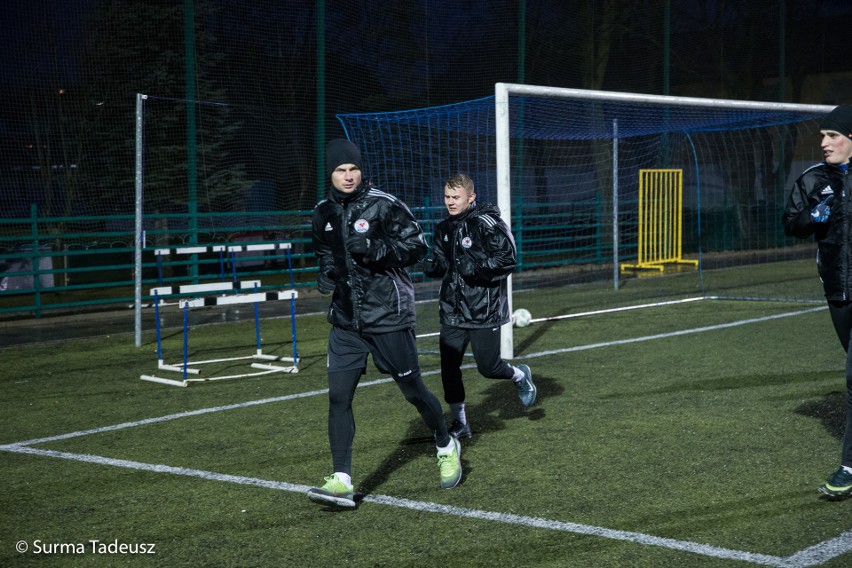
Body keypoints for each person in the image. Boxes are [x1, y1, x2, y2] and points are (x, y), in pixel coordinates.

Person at [307, 139, 461, 508]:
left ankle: (444, 441)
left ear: (361, 170)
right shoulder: (322, 211)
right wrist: (326, 274)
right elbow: (325, 252)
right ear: (330, 173)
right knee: (338, 397)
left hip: (387, 315)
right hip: (345, 321)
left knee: (412, 391)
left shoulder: (384, 204)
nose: (348, 176)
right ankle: (342, 479)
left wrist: (378, 250)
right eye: (341, 170)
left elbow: (418, 245)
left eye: (353, 169)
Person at [424, 172, 536, 440]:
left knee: (489, 368)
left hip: (483, 310)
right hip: (452, 310)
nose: (450, 202)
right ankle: (460, 423)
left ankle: (520, 376)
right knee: (449, 369)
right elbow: (441, 263)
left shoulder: (487, 223)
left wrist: (476, 268)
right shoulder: (443, 228)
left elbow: (507, 258)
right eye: (447, 197)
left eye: (456, 197)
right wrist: (430, 264)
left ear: (471, 197)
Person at [782, 104, 852, 500]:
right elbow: (792, 223)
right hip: (838, 292)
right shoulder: (812, 179)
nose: (824, 143)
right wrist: (814, 215)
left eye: (832, 136)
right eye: (822, 136)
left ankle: (848, 466)